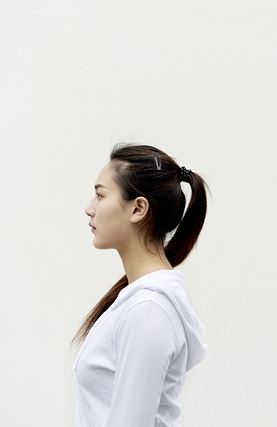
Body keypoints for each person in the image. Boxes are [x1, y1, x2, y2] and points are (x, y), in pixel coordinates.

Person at [73, 143, 209, 427]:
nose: (89, 208)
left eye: (100, 195)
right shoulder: (140, 302)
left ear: (138, 208)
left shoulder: (149, 311)